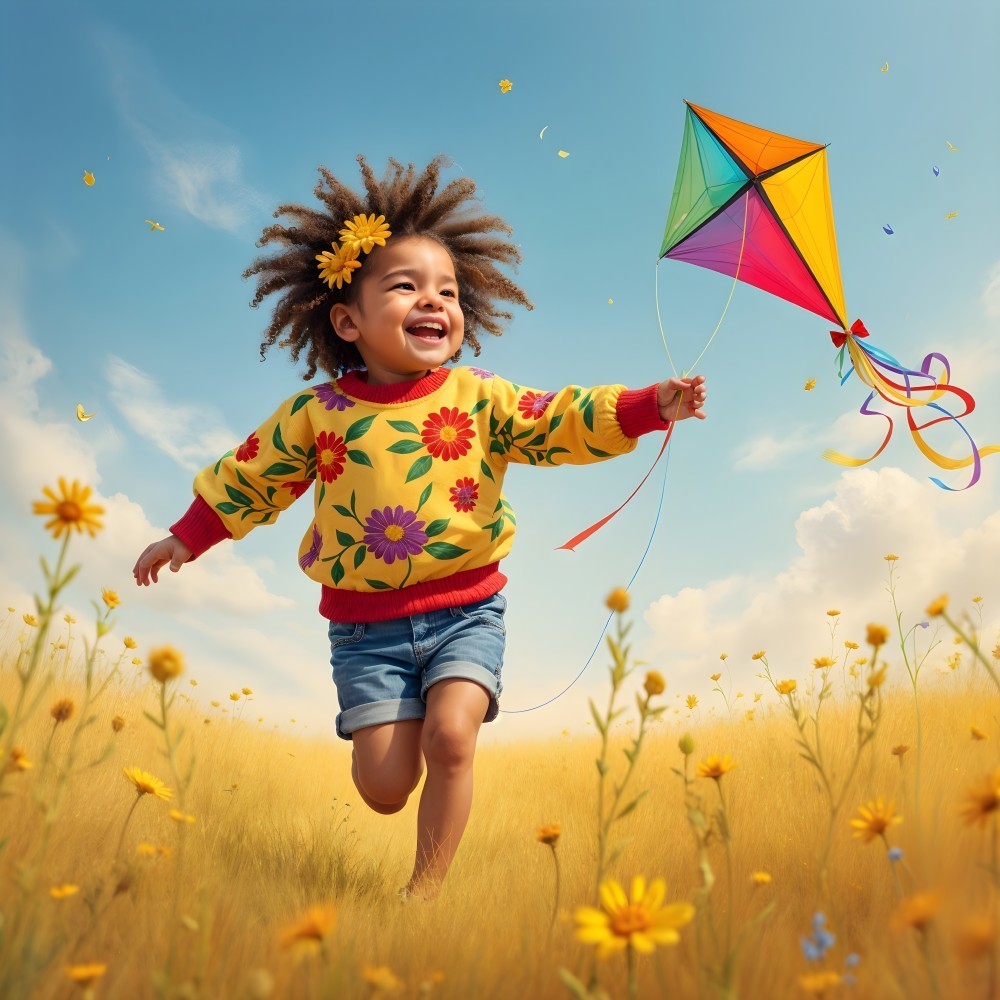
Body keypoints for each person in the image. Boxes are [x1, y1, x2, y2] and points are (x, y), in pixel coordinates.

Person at [133, 155, 707, 901]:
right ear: (348, 320)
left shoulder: (480, 397)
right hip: (365, 633)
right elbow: (254, 475)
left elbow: (555, 421)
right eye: (405, 287)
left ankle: (425, 891)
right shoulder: (317, 414)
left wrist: (647, 405)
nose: (433, 301)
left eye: (447, 290)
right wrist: (188, 534)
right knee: (384, 786)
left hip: (468, 611)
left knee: (451, 737)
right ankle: (384, 772)